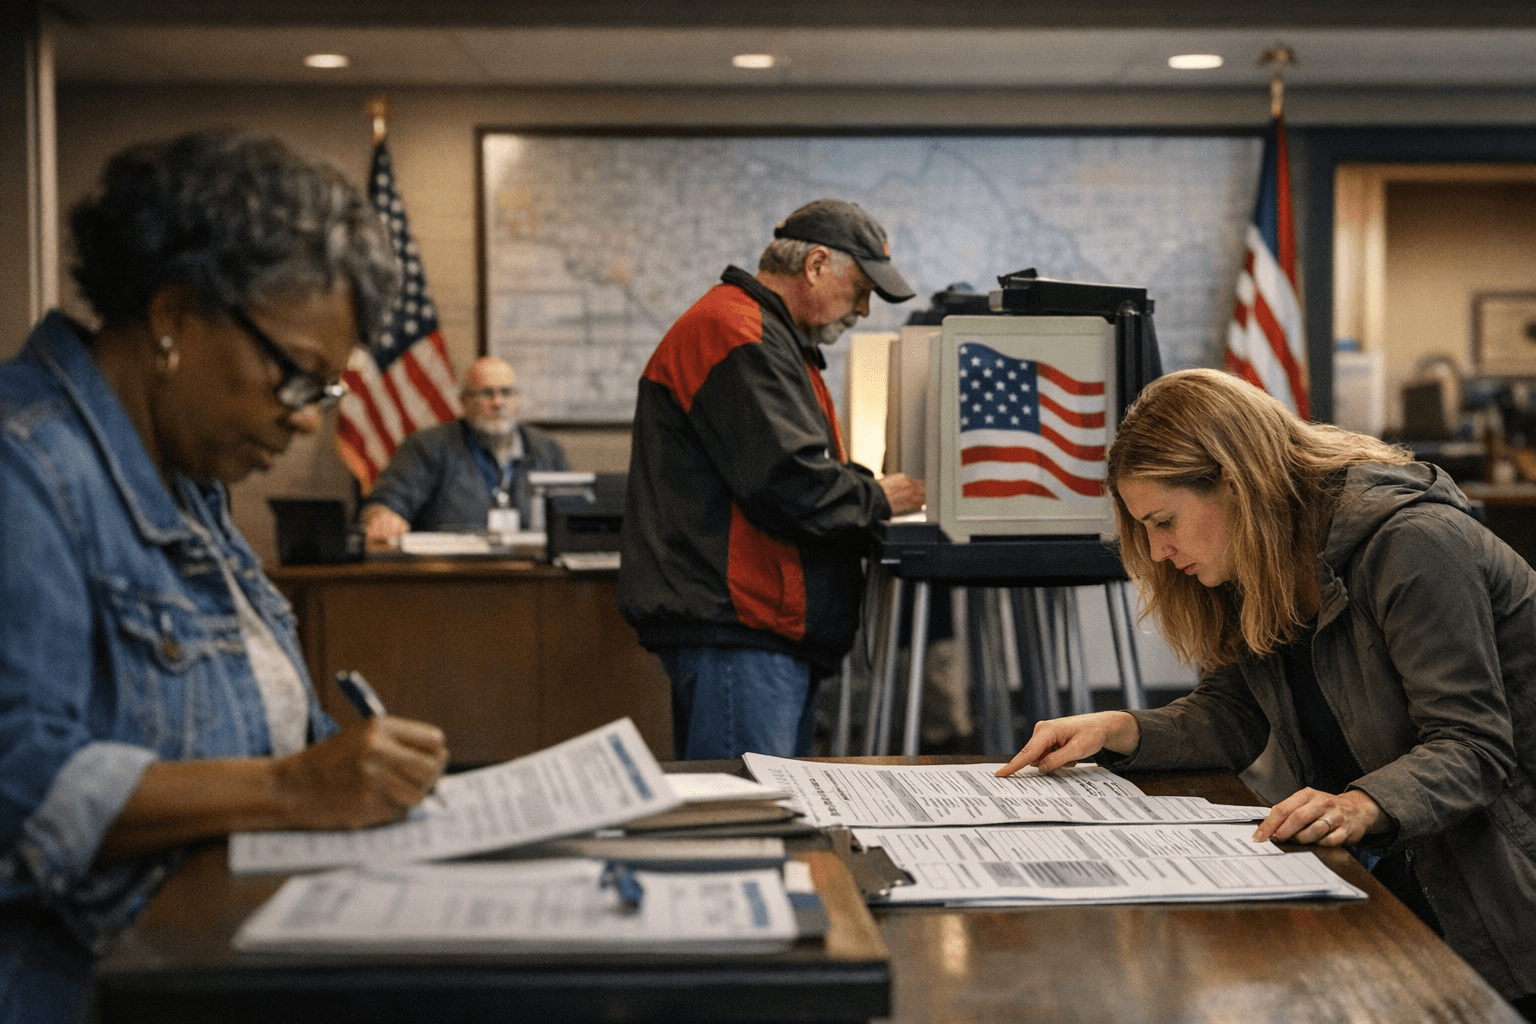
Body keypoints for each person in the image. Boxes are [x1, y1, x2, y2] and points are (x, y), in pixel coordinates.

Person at [0, 131, 450, 1022]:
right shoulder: (27, 471)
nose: (307, 425)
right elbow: (17, 781)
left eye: (324, 396)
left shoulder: (188, 480)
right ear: (174, 316)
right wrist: (292, 787)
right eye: (296, 381)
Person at [997, 367, 1536, 1016]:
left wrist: (1364, 803)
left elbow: (1474, 745)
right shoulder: (1261, 555)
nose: (1158, 552)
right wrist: (1120, 730)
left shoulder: (1411, 542)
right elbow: (1233, 715)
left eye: (1163, 520)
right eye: (1143, 529)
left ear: (1233, 482)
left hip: (1504, 878)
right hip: (1408, 866)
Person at [619, 198, 926, 761]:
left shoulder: (763, 334)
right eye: (860, 289)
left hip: (755, 630)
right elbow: (789, 482)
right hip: (742, 630)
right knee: (746, 821)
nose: (862, 309)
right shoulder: (738, 332)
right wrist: (876, 497)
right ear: (815, 265)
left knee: (759, 813)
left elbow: (784, 466)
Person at [359, 355, 570, 543]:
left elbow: (571, 510)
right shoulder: (426, 447)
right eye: (486, 393)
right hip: (453, 576)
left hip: (529, 573)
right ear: (463, 401)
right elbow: (388, 501)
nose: (498, 402)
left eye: (506, 392)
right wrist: (382, 516)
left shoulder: (546, 449)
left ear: (517, 400)